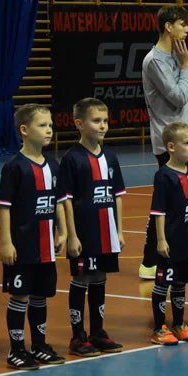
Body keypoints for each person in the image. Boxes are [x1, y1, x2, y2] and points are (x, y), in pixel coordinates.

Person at [140, 4, 188, 281]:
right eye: (183, 24)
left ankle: (149, 262)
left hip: (183, 141)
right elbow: (176, 95)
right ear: (168, 26)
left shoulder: (175, 55)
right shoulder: (155, 61)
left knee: (180, 202)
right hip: (169, 145)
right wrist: (186, 67)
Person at [0, 104, 68, 370]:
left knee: (40, 296)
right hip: (22, 246)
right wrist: (6, 241)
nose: (49, 129)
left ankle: (39, 344)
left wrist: (62, 231)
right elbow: (4, 207)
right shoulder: (14, 167)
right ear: (24, 131)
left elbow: (58, 202)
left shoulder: (53, 164)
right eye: (42, 125)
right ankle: (16, 348)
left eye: (50, 124)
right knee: (20, 297)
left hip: (45, 247)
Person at [59, 98, 125, 357]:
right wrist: (71, 235)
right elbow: (64, 200)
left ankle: (98, 332)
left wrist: (118, 230)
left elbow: (117, 194)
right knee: (82, 278)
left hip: (106, 230)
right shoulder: (72, 158)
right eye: (96, 121)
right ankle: (78, 337)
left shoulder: (110, 156)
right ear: (79, 124)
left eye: (105, 121)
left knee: (100, 278)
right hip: (84, 232)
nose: (103, 126)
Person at [149, 122, 188, 346]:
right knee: (164, 283)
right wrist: (161, 239)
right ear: (171, 146)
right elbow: (158, 210)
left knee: (180, 282)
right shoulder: (164, 175)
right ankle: (159, 327)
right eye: (186, 143)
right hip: (170, 239)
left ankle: (179, 323)